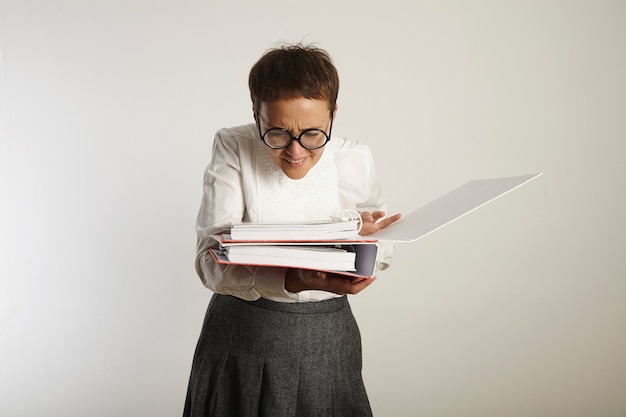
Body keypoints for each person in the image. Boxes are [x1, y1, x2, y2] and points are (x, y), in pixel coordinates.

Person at [183, 43, 401, 417]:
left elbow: (383, 249)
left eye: (314, 133)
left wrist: (363, 241)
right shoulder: (234, 146)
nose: (295, 151)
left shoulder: (353, 158)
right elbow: (209, 262)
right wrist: (295, 279)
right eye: (277, 133)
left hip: (329, 341)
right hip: (244, 337)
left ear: (333, 114)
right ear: (256, 116)